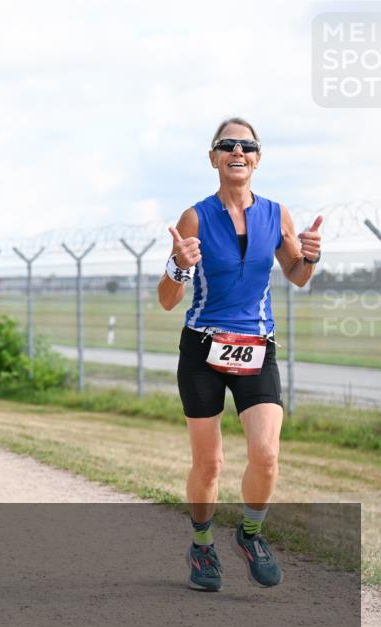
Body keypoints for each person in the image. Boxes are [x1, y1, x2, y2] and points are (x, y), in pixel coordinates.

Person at [158, 117, 324, 592]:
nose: (238, 151)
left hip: (257, 347)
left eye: (247, 145)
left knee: (267, 454)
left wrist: (308, 255)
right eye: (227, 145)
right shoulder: (195, 217)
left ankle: (250, 535)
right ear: (213, 158)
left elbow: (295, 273)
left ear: (257, 157)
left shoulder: (277, 213)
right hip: (203, 349)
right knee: (210, 464)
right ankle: (203, 545)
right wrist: (177, 266)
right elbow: (169, 300)